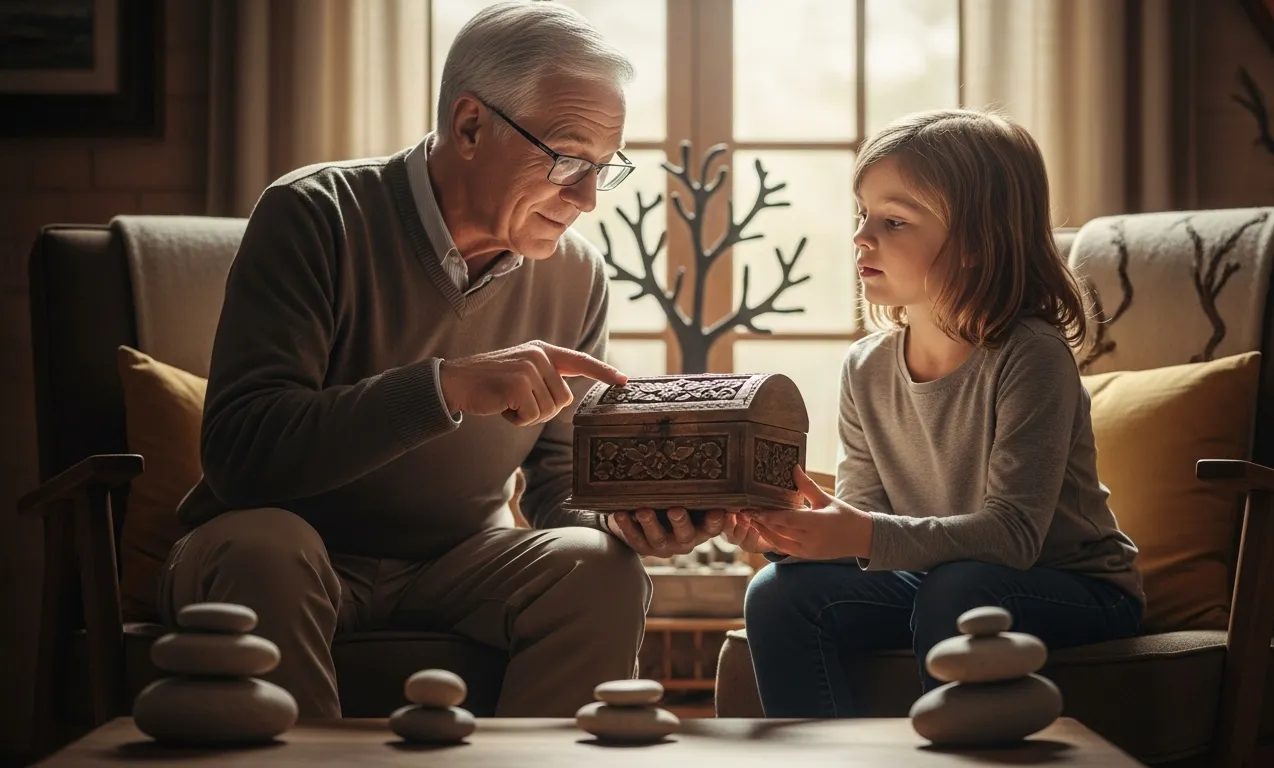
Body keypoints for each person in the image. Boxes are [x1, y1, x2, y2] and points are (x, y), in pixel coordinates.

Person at [161, 0, 726, 720]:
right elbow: (240, 454)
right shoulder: (314, 214)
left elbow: (557, 484)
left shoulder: (576, 275)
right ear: (469, 126)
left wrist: (624, 523)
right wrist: (445, 387)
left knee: (597, 569)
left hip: (455, 565)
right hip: (281, 550)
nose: (586, 199)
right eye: (566, 160)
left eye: (602, 169)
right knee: (266, 547)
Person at [724, 109, 1146, 718]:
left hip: (1076, 587)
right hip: (940, 580)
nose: (862, 237)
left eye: (893, 221)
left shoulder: (1032, 356)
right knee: (779, 594)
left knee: (962, 587)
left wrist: (863, 535)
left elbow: (1013, 538)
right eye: (862, 215)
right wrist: (794, 538)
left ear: (977, 244)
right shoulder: (865, 368)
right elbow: (868, 520)